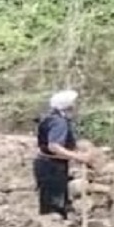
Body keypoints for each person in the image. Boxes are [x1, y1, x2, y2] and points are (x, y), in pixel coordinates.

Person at [33, 90, 94, 219]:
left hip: (47, 163)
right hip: (51, 166)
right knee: (54, 203)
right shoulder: (59, 122)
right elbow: (54, 146)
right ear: (68, 106)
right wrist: (77, 157)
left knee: (52, 200)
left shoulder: (52, 118)